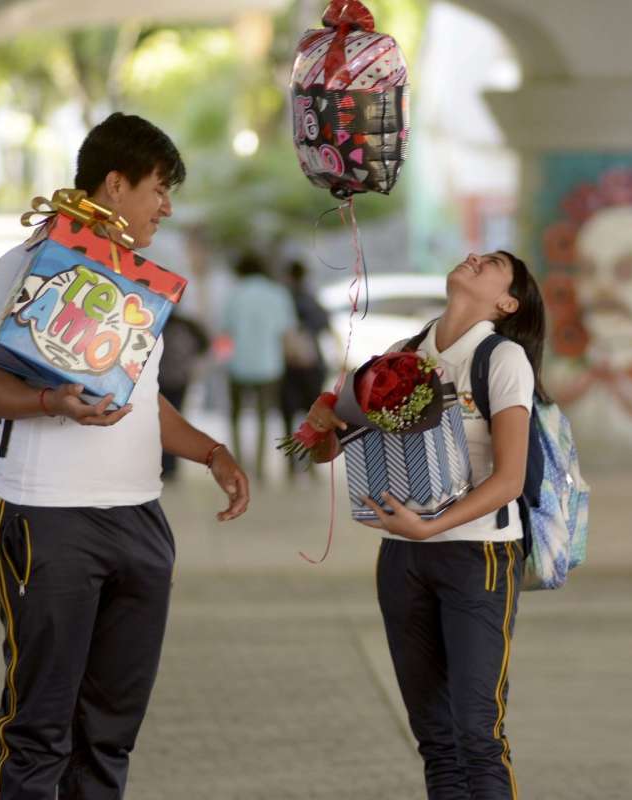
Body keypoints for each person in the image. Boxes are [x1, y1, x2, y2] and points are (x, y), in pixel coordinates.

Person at [0, 112, 251, 800]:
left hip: (138, 520)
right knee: (40, 727)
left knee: (109, 731)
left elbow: (145, 399)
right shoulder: (27, 266)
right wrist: (52, 405)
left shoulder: (141, 288)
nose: (167, 205)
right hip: (46, 520)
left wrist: (213, 453)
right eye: (159, 187)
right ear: (115, 185)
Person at [303, 250, 548, 799]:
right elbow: (328, 452)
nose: (475, 258)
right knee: (435, 739)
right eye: (476, 254)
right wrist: (321, 423)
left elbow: (509, 479)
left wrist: (433, 528)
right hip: (403, 558)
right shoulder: (401, 355)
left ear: (507, 302)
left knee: (478, 734)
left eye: (493, 263)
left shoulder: (501, 359)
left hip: (477, 558)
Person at [221, 251, 296, 485]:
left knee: (235, 416)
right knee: (264, 416)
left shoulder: (234, 294)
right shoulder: (277, 293)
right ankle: (260, 467)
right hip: (269, 364)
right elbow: (286, 332)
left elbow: (226, 332)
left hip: (238, 363)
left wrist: (220, 361)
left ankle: (239, 464)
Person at [279, 259, 330, 480]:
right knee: (314, 417)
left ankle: (292, 464)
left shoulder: (282, 299)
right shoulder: (312, 299)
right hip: (312, 364)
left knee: (288, 415)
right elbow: (324, 325)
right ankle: (313, 462)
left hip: (287, 364)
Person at [158, 312, 211, 479]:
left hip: (158, 380)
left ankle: (160, 465)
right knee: (176, 420)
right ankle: (171, 467)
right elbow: (205, 344)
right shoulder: (188, 325)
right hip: (180, 379)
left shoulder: (155, 322)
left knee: (156, 422)